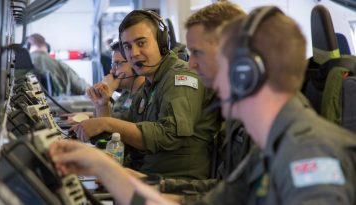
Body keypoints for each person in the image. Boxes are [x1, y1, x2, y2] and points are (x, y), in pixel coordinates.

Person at [49, 6, 356, 205]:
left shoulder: (309, 157)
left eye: (199, 54)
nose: (191, 66)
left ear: (245, 69)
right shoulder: (267, 146)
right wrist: (103, 167)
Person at [71, 10, 221, 179]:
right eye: (127, 46)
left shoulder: (180, 78)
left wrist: (107, 123)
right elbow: (122, 137)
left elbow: (169, 135)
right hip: (147, 177)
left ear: (161, 43)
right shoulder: (148, 86)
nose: (134, 53)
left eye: (141, 43)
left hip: (176, 186)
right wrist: (102, 105)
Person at [160, 0, 251, 199]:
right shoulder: (239, 112)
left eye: (197, 53)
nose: (191, 64)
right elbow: (225, 188)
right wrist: (158, 186)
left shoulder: (264, 121)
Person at [87, 40, 146, 169]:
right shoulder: (126, 94)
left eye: (118, 64)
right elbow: (106, 132)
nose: (112, 71)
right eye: (112, 64)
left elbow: (108, 133)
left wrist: (103, 103)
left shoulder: (145, 95)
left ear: (135, 62)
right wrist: (101, 102)